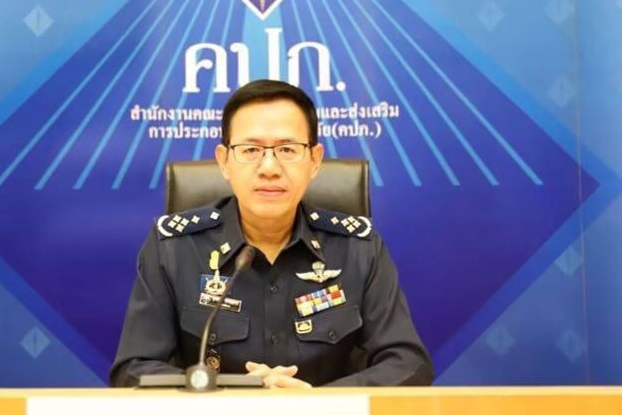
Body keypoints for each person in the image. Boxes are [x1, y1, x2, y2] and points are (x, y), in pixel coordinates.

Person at [110, 80, 433, 387]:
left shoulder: (359, 248)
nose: (269, 167)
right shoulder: (173, 248)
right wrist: (234, 395)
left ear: (314, 160)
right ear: (224, 161)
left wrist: (317, 403)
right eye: (250, 150)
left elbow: (408, 363)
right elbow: (134, 369)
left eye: (287, 149)